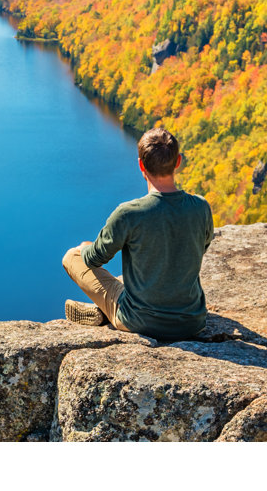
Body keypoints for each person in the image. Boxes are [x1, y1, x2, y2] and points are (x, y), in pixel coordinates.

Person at [62, 125, 213, 341]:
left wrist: (85, 248)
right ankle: (108, 310)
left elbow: (95, 259)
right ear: (178, 162)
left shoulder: (129, 213)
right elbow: (202, 247)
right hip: (191, 323)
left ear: (141, 166)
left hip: (137, 320)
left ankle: (107, 311)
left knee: (72, 256)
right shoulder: (201, 207)